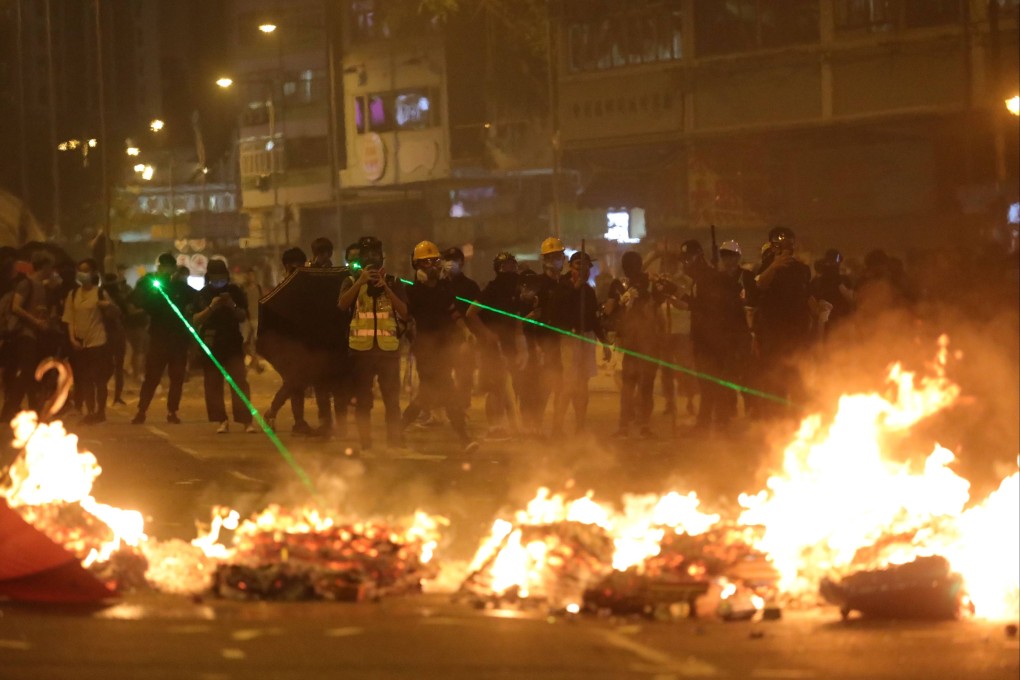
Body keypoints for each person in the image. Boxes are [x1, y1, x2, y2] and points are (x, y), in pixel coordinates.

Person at [402, 241, 478, 453]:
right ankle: (464, 438)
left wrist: (466, 331)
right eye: (426, 262)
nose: (432, 266)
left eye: (435, 261)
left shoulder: (444, 289)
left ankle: (397, 428)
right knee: (446, 391)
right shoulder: (413, 292)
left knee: (428, 395)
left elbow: (454, 312)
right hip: (425, 350)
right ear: (417, 266)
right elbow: (406, 318)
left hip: (444, 348)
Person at [338, 236, 407, 452]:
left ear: (382, 257)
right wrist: (360, 282)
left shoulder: (394, 282)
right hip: (361, 350)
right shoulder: (351, 281)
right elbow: (341, 305)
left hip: (388, 350)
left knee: (392, 402)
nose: (372, 259)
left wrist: (386, 287)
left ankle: (394, 443)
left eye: (376, 255)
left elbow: (404, 311)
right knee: (363, 402)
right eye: (367, 255)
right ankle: (366, 443)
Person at [679, 241, 749, 430]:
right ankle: (715, 421)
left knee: (713, 381)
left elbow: (708, 308)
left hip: (714, 339)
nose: (685, 264)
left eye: (689, 259)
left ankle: (716, 421)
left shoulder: (709, 278)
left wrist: (682, 296)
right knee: (707, 382)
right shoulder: (702, 278)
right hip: (704, 338)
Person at [753, 227, 814, 415]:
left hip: (797, 333)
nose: (786, 245)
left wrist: (817, 312)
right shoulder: (767, 266)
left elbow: (806, 296)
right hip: (773, 333)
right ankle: (776, 421)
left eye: (789, 241)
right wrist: (774, 266)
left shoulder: (802, 269)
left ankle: (798, 421)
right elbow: (759, 285)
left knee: (797, 378)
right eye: (781, 242)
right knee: (775, 379)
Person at [466, 252, 527, 439]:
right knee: (495, 387)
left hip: (509, 345)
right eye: (506, 266)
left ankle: (512, 425)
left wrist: (520, 340)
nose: (511, 270)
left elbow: (517, 316)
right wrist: (487, 333)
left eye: (513, 266)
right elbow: (471, 313)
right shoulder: (492, 289)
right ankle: (494, 426)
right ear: (499, 269)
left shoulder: (516, 290)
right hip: (492, 347)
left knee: (511, 386)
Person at [130, 253, 196, 425]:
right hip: (159, 339)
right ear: (159, 268)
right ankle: (141, 410)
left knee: (177, 379)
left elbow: (197, 299)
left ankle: (172, 411)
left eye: (169, 266)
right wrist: (149, 287)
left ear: (173, 269)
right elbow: (136, 300)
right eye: (163, 266)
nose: (165, 270)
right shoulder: (151, 286)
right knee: (152, 377)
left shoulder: (180, 288)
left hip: (178, 340)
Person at [605, 251, 664, 438]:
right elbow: (608, 310)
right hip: (632, 341)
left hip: (648, 341)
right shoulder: (619, 285)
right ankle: (628, 424)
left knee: (643, 385)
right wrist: (622, 301)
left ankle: (642, 424)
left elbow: (660, 302)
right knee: (631, 385)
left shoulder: (650, 283)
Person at [193, 259, 255, 434]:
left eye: (222, 277)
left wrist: (231, 305)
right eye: (215, 277)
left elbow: (243, 316)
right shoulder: (203, 294)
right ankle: (221, 420)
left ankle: (246, 421)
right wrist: (212, 307)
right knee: (212, 384)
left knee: (239, 382)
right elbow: (196, 319)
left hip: (233, 342)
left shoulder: (235, 291)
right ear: (209, 276)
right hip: (211, 343)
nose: (219, 280)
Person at [551, 251, 606, 435]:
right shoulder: (562, 286)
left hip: (586, 337)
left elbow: (593, 318)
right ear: (571, 267)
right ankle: (557, 426)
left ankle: (580, 425)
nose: (582, 270)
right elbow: (558, 310)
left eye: (585, 267)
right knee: (569, 383)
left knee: (583, 384)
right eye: (578, 266)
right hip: (570, 338)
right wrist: (575, 288)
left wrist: (604, 342)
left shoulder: (589, 291)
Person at [263, 247, 314, 435]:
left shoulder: (306, 287)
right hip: (285, 344)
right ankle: (273, 412)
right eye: (295, 266)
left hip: (302, 342)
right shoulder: (281, 287)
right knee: (295, 382)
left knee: (297, 384)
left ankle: (298, 422)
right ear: (286, 267)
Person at [1, 251, 56, 422]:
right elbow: (16, 307)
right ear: (45, 266)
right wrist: (36, 322)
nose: (52, 270)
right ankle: (9, 410)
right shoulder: (27, 283)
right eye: (50, 266)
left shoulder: (42, 287)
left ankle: (33, 409)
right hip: (24, 334)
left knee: (33, 373)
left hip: (36, 335)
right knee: (26, 372)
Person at [520, 237, 567, 436]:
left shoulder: (564, 285)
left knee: (556, 385)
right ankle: (534, 425)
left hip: (558, 343)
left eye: (559, 256)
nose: (558, 260)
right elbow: (525, 317)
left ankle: (555, 427)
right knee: (538, 387)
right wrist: (534, 345)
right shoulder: (536, 284)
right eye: (553, 256)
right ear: (545, 259)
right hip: (539, 344)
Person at [62, 259, 115, 424]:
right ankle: (90, 411)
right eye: (80, 269)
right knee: (85, 379)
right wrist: (72, 339)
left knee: (99, 379)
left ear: (93, 273)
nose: (82, 273)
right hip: (80, 344)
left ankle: (100, 411)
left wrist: (107, 305)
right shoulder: (73, 295)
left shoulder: (99, 293)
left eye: (86, 270)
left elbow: (115, 312)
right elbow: (70, 319)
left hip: (98, 342)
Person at [307, 237, 347, 437]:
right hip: (316, 338)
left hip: (336, 337)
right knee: (320, 384)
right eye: (320, 253)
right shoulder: (307, 275)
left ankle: (341, 423)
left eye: (326, 253)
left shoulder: (339, 275)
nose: (323, 257)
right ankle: (325, 423)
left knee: (338, 384)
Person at [442, 246, 480, 413]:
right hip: (442, 337)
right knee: (442, 374)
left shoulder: (470, 286)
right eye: (447, 260)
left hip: (464, 336)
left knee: (464, 375)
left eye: (455, 260)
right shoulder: (438, 285)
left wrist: (472, 336)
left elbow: (475, 314)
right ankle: (445, 407)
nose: (450, 264)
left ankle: (462, 406)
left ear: (462, 263)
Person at [810, 249, 853, 338]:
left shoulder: (843, 279)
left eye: (835, 261)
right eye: (830, 262)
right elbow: (811, 300)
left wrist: (839, 282)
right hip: (826, 320)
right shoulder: (819, 281)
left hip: (842, 319)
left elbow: (851, 298)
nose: (833, 264)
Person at [101, 272, 129, 405]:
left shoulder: (100, 294)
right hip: (116, 332)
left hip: (105, 333)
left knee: (109, 365)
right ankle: (116, 395)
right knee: (117, 366)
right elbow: (127, 312)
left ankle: (102, 390)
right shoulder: (117, 296)